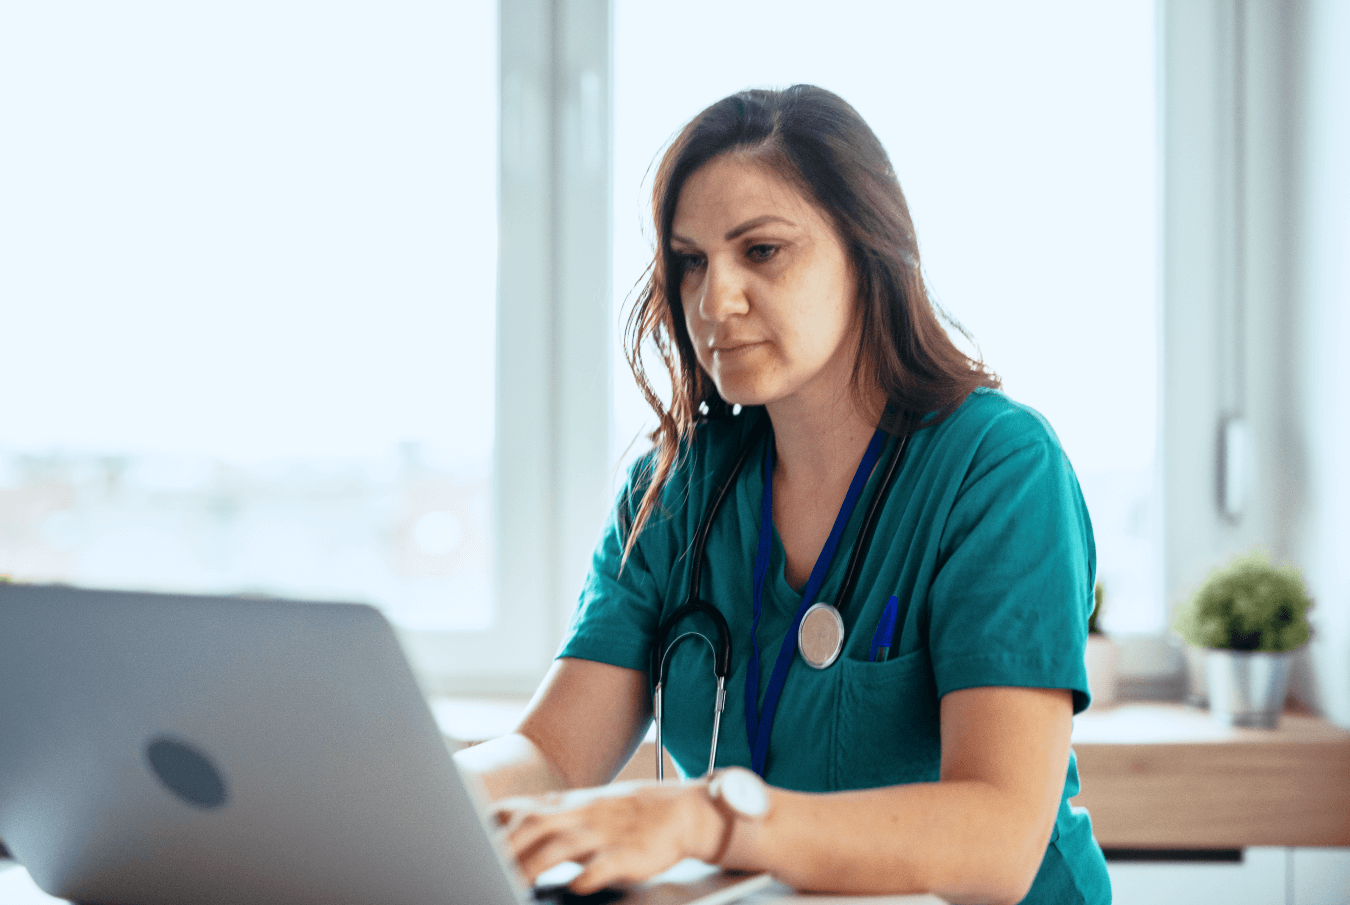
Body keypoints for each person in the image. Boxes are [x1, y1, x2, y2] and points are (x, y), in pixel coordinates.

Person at [456, 84, 1110, 905]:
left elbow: (997, 837)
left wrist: (709, 816)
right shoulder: (680, 487)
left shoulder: (999, 467)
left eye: (761, 251)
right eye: (690, 261)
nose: (712, 301)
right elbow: (550, 755)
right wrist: (412, 796)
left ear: (870, 253)